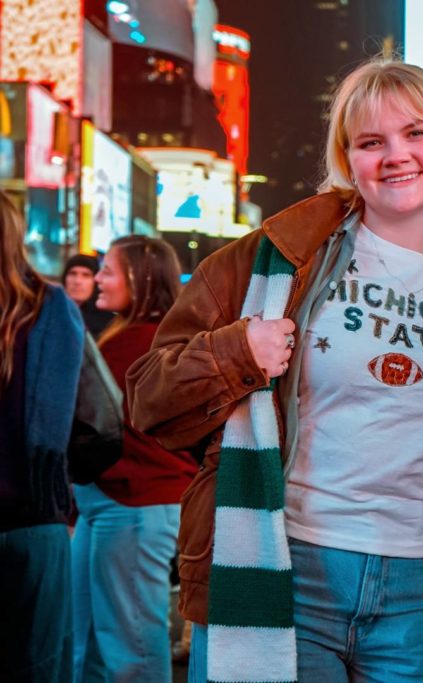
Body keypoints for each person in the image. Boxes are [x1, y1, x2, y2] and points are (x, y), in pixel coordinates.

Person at [126, 59, 423, 682]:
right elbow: (148, 398)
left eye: (416, 133)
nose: (396, 155)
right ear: (348, 159)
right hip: (285, 571)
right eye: (371, 142)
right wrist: (236, 353)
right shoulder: (273, 258)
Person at [71, 235, 198, 682]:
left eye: (106, 269)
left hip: (134, 504)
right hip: (117, 503)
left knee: (131, 646)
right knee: (96, 639)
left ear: (139, 278)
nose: (98, 279)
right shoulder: (140, 335)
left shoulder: (141, 342)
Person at [0, 190, 85, 682]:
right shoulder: (50, 308)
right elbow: (85, 412)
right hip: (37, 517)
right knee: (40, 667)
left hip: (36, 518)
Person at [62, 253, 114, 338]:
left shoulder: (108, 323)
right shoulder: (49, 311)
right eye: (73, 273)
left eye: (86, 275)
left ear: (96, 281)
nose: (77, 281)